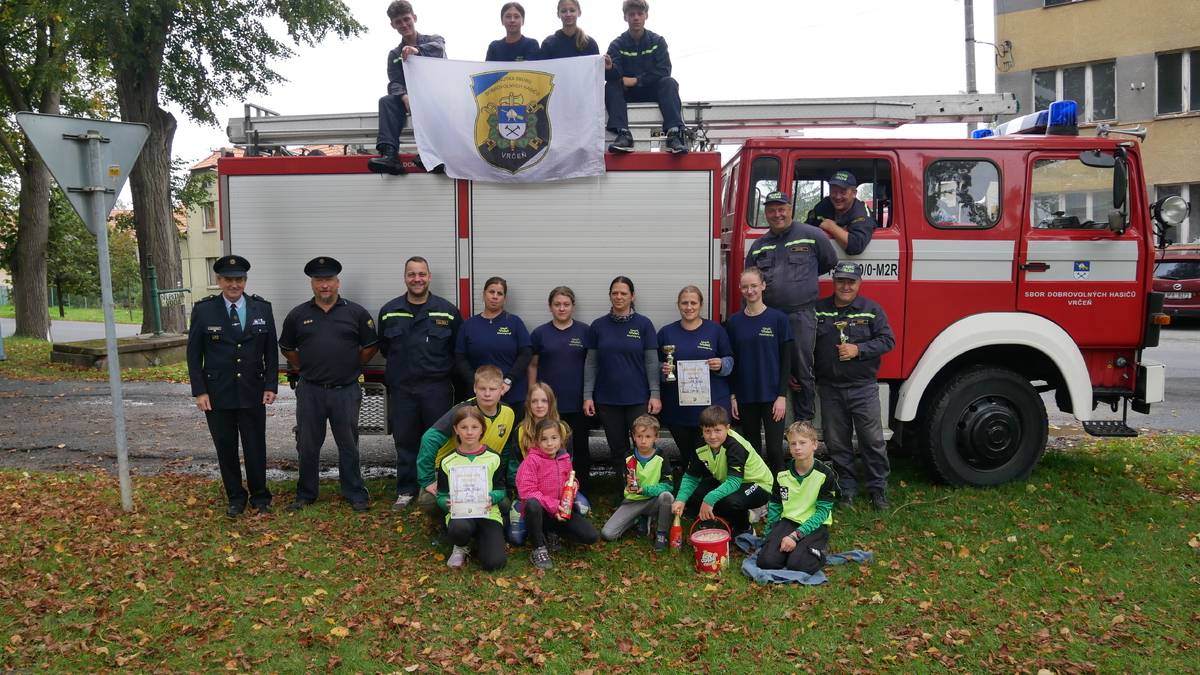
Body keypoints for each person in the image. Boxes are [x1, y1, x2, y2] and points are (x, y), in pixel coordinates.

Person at [279, 257, 378, 512]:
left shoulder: (355, 313)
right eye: (319, 280)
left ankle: (354, 493)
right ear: (312, 284)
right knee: (308, 445)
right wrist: (303, 367)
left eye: (329, 280)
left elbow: (370, 346)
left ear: (337, 282)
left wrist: (352, 365)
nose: (325, 285)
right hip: (310, 390)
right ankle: (306, 494)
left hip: (345, 390)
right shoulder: (298, 315)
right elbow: (287, 347)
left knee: (348, 444)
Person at [186, 255, 278, 518]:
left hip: (253, 390)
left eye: (239, 279)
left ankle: (260, 496)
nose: (234, 285)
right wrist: (200, 391)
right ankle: (236, 497)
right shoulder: (204, 310)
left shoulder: (262, 308)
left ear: (245, 281)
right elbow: (194, 355)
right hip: (217, 394)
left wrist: (270, 384)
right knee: (226, 447)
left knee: (255, 447)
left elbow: (271, 351)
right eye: (229, 280)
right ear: (219, 281)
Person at [744, 190, 838, 423]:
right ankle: (772, 424)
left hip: (800, 315)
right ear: (766, 213)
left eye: (781, 209)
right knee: (770, 367)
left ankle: (804, 425)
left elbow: (829, 261)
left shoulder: (812, 235)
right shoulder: (758, 246)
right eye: (772, 210)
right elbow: (751, 278)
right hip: (768, 317)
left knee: (802, 370)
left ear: (790, 210)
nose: (777, 214)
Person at [377, 256, 462, 510]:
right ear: (405, 277)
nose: (417, 279)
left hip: (436, 388)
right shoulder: (389, 311)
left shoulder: (447, 311)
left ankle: (439, 488)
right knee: (405, 439)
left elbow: (456, 350)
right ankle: (406, 489)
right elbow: (384, 347)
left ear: (429, 277)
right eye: (412, 274)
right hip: (403, 389)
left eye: (422, 274)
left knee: (439, 439)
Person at [814, 262, 895, 511]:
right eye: (841, 281)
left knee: (872, 441)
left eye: (851, 282)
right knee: (837, 443)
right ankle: (847, 489)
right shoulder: (819, 310)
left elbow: (887, 340)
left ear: (859, 283)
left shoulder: (871, 310)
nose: (846, 286)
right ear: (834, 282)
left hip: (863, 388)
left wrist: (859, 349)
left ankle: (877, 490)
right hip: (830, 389)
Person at [416, 365, 518, 526]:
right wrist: (428, 480)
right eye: (482, 388)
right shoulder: (463, 411)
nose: (487, 393)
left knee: (505, 504)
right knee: (429, 500)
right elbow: (429, 439)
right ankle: (444, 524)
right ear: (474, 388)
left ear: (502, 389)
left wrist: (503, 480)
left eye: (492, 389)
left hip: (483, 474)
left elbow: (504, 449)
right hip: (453, 472)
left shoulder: (509, 413)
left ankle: (482, 526)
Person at [583, 276, 660, 482]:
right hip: (607, 399)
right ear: (610, 296)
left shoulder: (644, 325)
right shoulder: (598, 326)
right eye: (615, 293)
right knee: (618, 449)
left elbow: (652, 362)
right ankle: (626, 490)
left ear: (632, 296)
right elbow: (591, 363)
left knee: (643, 445)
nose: (619, 297)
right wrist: (587, 395)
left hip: (637, 398)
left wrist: (655, 394)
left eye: (623, 293)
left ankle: (647, 489)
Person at [657, 285, 733, 477]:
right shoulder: (666, 333)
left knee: (711, 458)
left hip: (710, 409)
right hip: (678, 409)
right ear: (678, 305)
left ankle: (713, 496)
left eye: (693, 302)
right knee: (688, 456)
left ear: (701, 305)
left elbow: (731, 362)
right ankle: (690, 498)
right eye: (685, 303)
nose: (689, 307)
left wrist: (721, 364)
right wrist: (662, 369)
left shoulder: (715, 330)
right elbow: (654, 365)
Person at [725, 267, 793, 473]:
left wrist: (782, 396)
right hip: (746, 397)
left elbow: (786, 360)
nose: (750, 290)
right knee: (752, 449)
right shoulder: (734, 322)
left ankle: (781, 492)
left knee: (774, 449)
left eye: (754, 285)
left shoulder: (778, 319)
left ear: (763, 286)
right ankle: (758, 492)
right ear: (740, 288)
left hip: (772, 396)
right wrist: (733, 395)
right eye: (745, 286)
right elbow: (732, 362)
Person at [368, 0, 447, 176]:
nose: (404, 24)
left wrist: (416, 50)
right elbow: (395, 82)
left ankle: (432, 155)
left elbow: (439, 50)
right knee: (386, 101)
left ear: (414, 18)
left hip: (436, 98)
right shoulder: (394, 54)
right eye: (398, 22)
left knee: (439, 102)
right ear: (392, 25)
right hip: (410, 100)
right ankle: (390, 156)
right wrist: (404, 96)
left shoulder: (435, 40)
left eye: (406, 19)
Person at [671, 405, 774, 535]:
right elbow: (691, 477)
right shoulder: (700, 444)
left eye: (718, 430)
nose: (712, 436)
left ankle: (745, 528)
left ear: (728, 428)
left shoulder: (735, 446)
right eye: (707, 431)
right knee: (689, 490)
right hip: (727, 480)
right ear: (702, 430)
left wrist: (709, 499)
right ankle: (731, 517)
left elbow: (734, 482)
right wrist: (681, 499)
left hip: (757, 484)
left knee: (730, 501)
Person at [603, 0, 686, 154]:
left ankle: (674, 134)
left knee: (669, 82)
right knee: (611, 85)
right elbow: (615, 76)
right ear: (625, 17)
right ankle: (623, 134)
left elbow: (664, 70)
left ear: (646, 15)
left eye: (639, 14)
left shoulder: (658, 41)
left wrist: (637, 80)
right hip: (627, 94)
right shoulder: (616, 44)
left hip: (653, 91)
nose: (636, 18)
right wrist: (610, 68)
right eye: (631, 14)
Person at [529, 287, 592, 487]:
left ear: (573, 306)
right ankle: (550, 487)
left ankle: (580, 490)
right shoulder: (540, 333)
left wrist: (588, 396)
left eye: (566, 304)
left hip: (577, 402)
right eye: (557, 304)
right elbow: (532, 365)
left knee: (579, 447)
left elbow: (592, 365)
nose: (562, 308)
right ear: (550, 307)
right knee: (548, 448)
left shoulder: (585, 331)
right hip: (548, 406)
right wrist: (532, 396)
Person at [516, 418, 599, 570]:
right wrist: (555, 506)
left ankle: (552, 533)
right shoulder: (531, 461)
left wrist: (574, 486)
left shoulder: (564, 458)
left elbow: (570, 480)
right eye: (544, 439)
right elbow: (527, 492)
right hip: (540, 512)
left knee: (591, 536)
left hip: (561, 511)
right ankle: (538, 547)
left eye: (554, 438)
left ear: (561, 439)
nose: (549, 443)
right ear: (536, 441)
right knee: (532, 504)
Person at [758, 421, 839, 573]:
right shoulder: (782, 473)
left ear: (814, 444)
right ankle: (792, 551)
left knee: (797, 565)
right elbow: (775, 507)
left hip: (814, 524)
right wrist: (769, 536)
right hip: (788, 521)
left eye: (802, 442)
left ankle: (821, 551)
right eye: (793, 443)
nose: (797, 447)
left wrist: (795, 536)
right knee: (766, 561)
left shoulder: (826, 474)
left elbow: (822, 513)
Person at [438, 407, 508, 570]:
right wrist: (445, 503)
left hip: (488, 513)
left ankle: (482, 540)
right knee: (459, 528)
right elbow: (441, 494)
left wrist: (492, 497)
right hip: (461, 515)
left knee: (494, 564)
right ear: (456, 429)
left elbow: (501, 489)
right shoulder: (447, 461)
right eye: (464, 427)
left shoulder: (493, 458)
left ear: (482, 429)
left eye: (474, 427)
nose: (469, 432)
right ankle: (461, 545)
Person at [455, 277, 532, 419]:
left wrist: (509, 380)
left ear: (505, 298)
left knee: (513, 439)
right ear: (484, 294)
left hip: (511, 395)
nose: (495, 296)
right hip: (479, 397)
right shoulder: (468, 325)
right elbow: (460, 357)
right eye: (491, 292)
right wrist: (477, 384)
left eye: (499, 293)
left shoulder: (514, 322)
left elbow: (526, 354)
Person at [600, 415, 674, 550]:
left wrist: (645, 490)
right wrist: (627, 484)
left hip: (653, 500)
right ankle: (638, 518)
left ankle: (661, 534)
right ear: (633, 436)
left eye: (648, 436)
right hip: (633, 501)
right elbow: (625, 483)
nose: (643, 441)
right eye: (639, 436)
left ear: (656, 437)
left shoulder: (661, 457)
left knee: (667, 497)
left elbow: (668, 485)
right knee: (608, 534)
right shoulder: (628, 456)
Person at [804, 170, 878, 256]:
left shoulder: (861, 213)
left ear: (854, 193)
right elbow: (807, 228)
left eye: (843, 192)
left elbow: (856, 246)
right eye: (833, 191)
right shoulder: (824, 205)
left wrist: (831, 227)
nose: (837, 196)